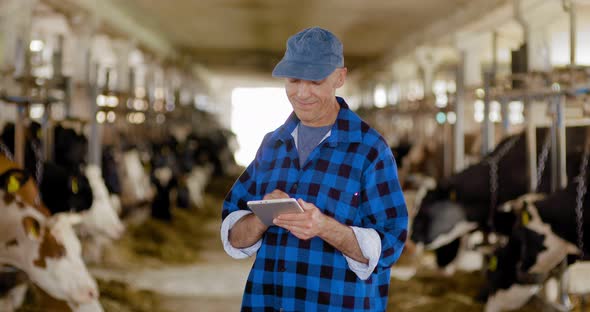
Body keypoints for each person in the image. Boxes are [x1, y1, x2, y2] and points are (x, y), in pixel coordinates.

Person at [221, 26, 408, 311]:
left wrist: (325, 228)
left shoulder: (369, 150)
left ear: (339, 78)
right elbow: (233, 235)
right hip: (268, 303)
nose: (302, 93)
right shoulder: (273, 144)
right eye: (294, 80)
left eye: (315, 81)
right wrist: (262, 218)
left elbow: (391, 244)